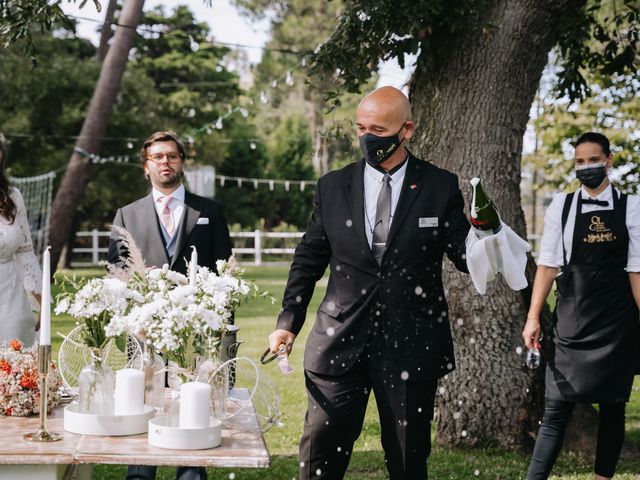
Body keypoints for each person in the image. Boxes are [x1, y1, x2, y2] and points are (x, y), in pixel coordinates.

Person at [267, 86, 471, 480]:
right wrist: (287, 320)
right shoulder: (332, 186)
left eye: (378, 128)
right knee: (320, 458)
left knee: (408, 462)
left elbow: (464, 258)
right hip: (339, 341)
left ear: (406, 129)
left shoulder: (440, 186)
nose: (367, 137)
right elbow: (310, 256)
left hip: (411, 345)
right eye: (360, 127)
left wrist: (486, 237)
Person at [107, 131, 232, 480]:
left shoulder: (209, 212)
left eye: (172, 156)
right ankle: (140, 473)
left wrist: (224, 342)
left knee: (191, 406)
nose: (166, 162)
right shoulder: (127, 215)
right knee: (141, 404)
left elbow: (224, 277)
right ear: (146, 166)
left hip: (194, 334)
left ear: (181, 162)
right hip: (143, 334)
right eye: (158, 157)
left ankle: (190, 472)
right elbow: (115, 275)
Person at [523, 132, 640, 480]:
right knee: (556, 408)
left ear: (609, 160)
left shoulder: (631, 206)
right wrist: (533, 317)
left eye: (593, 160)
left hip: (617, 321)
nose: (587, 167)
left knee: (613, 408)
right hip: (572, 320)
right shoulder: (563, 205)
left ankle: (602, 478)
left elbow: (636, 269)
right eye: (580, 161)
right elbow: (547, 264)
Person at [0, 134, 42, 346]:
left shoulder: (12, 196)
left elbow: (25, 251)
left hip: (11, 298)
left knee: (15, 369)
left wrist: (42, 304)